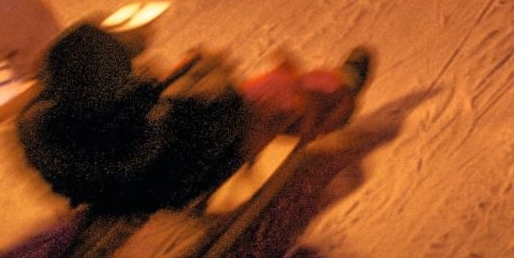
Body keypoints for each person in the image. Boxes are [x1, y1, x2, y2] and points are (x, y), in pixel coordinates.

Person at [20, 18, 371, 216]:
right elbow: (205, 112)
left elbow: (137, 110)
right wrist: (204, 79)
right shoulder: (135, 136)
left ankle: (323, 89)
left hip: (141, 180)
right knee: (277, 94)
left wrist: (170, 83)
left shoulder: (52, 127)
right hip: (188, 170)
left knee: (257, 90)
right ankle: (339, 90)